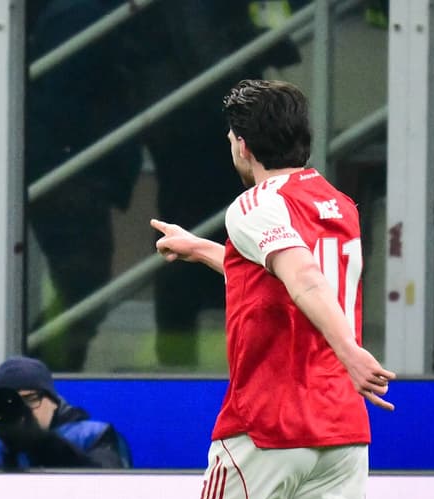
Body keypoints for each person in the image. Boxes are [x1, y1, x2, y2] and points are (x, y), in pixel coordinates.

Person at [151, 80, 396, 499]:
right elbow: (284, 280)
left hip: (264, 425)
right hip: (339, 428)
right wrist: (201, 248)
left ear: (243, 145)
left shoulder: (254, 204)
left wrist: (348, 351)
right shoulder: (338, 204)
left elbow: (302, 276)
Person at [119, 0, 302, 367]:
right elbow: (207, 55)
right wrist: (257, 54)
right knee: (202, 237)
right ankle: (185, 357)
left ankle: (188, 355)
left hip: (191, 125)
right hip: (197, 129)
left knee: (208, 236)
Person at [25, 0, 143, 371]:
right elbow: (64, 101)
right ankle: (33, 381)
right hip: (71, 172)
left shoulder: (80, 13)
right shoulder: (81, 15)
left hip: (74, 170)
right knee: (84, 286)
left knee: (83, 288)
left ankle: (41, 379)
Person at [0, 355, 131, 469]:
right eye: (12, 403)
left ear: (53, 401)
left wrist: (39, 441)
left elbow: (108, 481)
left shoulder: (94, 435)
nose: (22, 411)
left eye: (30, 400)